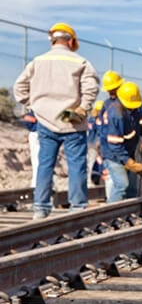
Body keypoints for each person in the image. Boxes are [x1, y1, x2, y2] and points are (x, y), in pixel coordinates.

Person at [13, 22, 99, 219]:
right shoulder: (81, 62)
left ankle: (41, 208)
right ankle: (77, 207)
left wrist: (34, 105)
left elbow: (19, 88)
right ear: (70, 41)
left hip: (45, 120)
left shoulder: (37, 61)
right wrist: (82, 108)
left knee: (45, 165)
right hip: (72, 121)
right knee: (76, 165)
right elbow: (90, 89)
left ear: (52, 40)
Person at [100, 81, 142, 202]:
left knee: (133, 188)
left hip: (128, 150)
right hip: (113, 155)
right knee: (122, 185)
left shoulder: (134, 109)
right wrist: (129, 163)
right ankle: (109, 215)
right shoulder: (116, 114)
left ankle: (129, 212)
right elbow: (114, 145)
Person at [86, 100, 103, 187]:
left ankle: (92, 179)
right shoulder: (97, 120)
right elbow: (99, 132)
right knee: (92, 163)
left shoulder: (90, 119)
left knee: (90, 163)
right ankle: (89, 181)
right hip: (94, 145)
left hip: (89, 143)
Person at [22, 109, 40, 188]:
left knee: (36, 160)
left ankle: (36, 185)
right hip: (39, 133)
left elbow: (27, 120)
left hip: (36, 133)